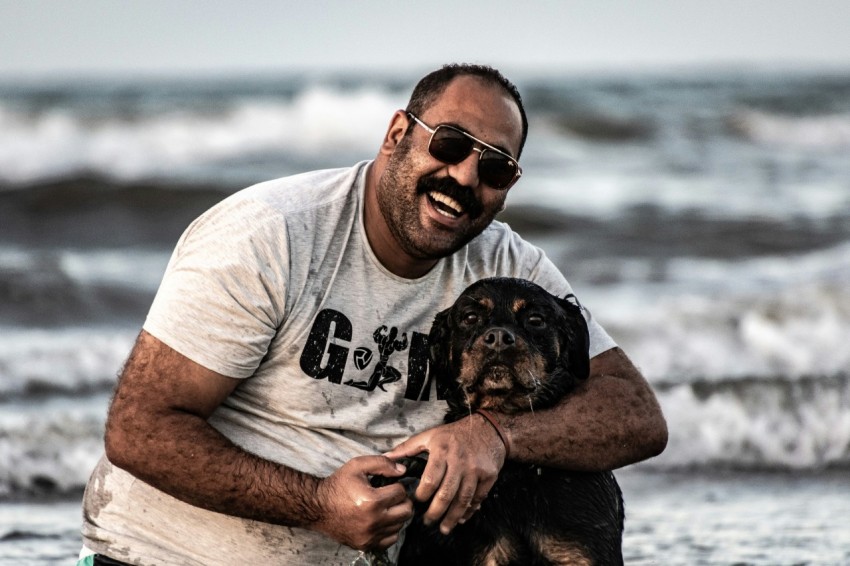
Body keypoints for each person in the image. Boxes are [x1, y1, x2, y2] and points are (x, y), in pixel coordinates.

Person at [79, 63, 667, 566]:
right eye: (450, 144)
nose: (465, 177)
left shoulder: (505, 264)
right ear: (396, 134)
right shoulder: (272, 235)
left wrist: (495, 434)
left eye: (495, 169)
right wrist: (318, 504)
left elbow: (636, 414)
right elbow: (139, 429)